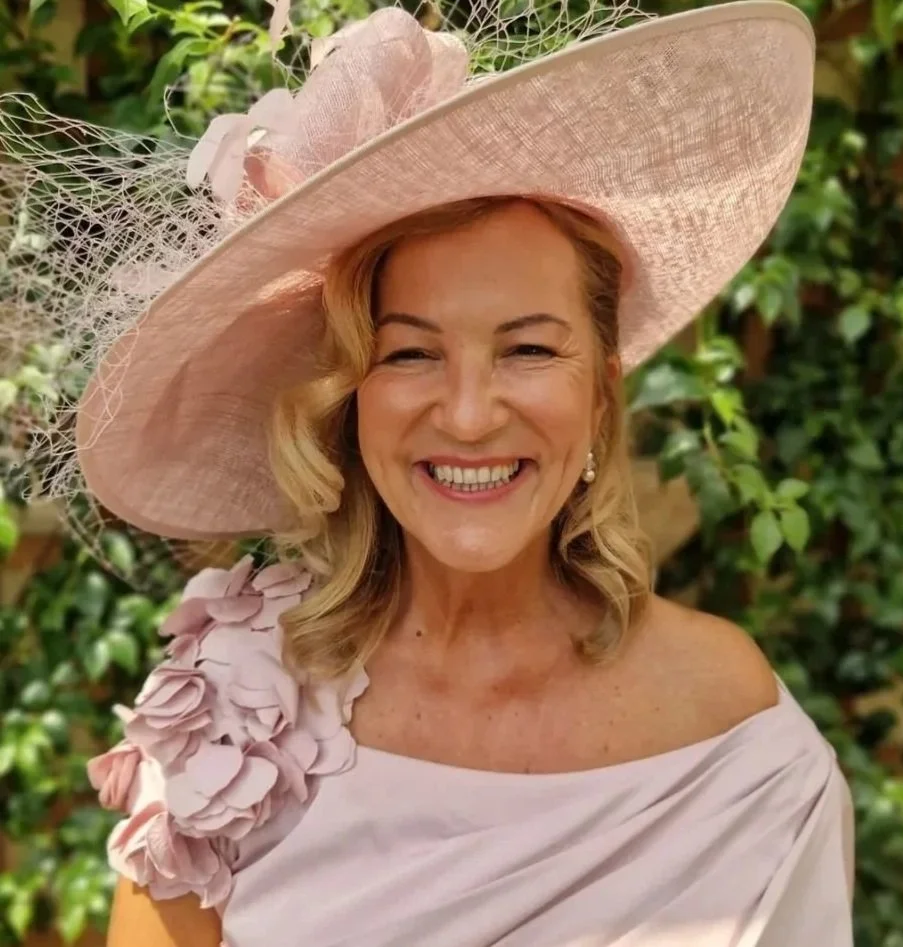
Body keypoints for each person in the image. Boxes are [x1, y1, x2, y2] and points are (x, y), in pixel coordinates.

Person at [1, 1, 854, 945]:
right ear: (350, 396)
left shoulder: (738, 740)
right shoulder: (235, 720)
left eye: (528, 349)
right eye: (409, 353)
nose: (469, 414)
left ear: (601, 392)